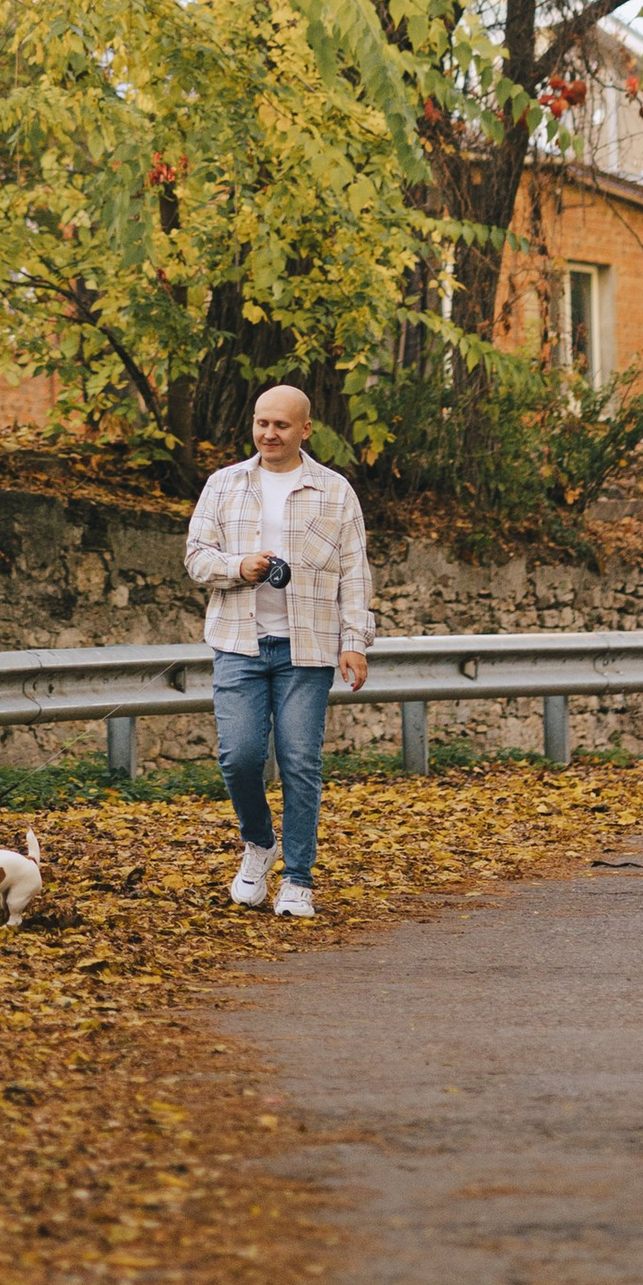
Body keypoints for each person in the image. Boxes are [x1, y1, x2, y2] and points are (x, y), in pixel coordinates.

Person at [184, 383, 372, 919]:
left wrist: (354, 642)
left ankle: (298, 879)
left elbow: (355, 575)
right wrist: (236, 567)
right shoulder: (224, 485)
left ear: (305, 430)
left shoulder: (335, 492)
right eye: (262, 423)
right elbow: (197, 557)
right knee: (238, 758)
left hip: (307, 649)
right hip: (239, 644)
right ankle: (259, 843)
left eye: (281, 425)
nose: (269, 433)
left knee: (299, 763)